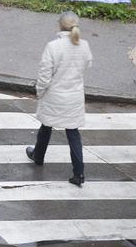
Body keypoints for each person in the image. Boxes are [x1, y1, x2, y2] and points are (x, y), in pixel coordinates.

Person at [26, 11, 93, 187]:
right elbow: (88, 64)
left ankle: (38, 156)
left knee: (46, 126)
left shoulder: (53, 47)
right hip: (74, 97)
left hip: (54, 95)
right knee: (73, 134)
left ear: (60, 25)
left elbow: (44, 76)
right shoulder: (84, 45)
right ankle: (79, 173)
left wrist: (39, 92)